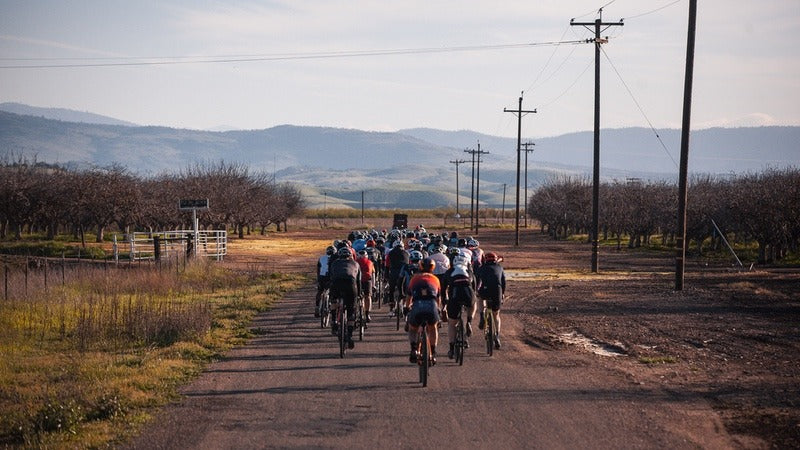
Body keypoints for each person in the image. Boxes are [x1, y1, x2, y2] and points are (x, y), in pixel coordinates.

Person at [404, 257, 441, 365]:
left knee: (413, 328)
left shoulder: (414, 278)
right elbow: (438, 298)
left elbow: (409, 296)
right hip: (431, 306)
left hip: (418, 306)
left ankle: (414, 349)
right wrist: (438, 310)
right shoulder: (436, 279)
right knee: (433, 328)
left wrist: (407, 308)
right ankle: (433, 353)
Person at [443, 254, 476, 358]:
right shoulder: (469, 272)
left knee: (452, 323)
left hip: (455, 297)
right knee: (473, 303)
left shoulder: (449, 272)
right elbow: (474, 289)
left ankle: (452, 348)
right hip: (468, 295)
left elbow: (443, 288)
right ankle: (469, 320)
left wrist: (444, 301)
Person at [329, 247, 362, 349]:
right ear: (350, 256)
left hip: (337, 283)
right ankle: (350, 334)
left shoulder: (335, 263)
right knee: (351, 309)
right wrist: (359, 294)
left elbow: (331, 276)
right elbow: (358, 281)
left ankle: (334, 320)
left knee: (333, 300)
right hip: (350, 284)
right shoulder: (356, 264)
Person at [476, 252, 506, 349]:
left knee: (480, 298)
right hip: (497, 291)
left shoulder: (482, 268)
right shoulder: (500, 268)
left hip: (485, 290)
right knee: (496, 315)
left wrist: (477, 291)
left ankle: (481, 315)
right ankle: (496, 335)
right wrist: (503, 294)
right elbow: (503, 282)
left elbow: (477, 280)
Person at [315, 245, 335, 317]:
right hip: (330, 277)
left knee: (320, 291)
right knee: (332, 292)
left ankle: (317, 306)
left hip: (322, 277)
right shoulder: (335, 259)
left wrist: (318, 278)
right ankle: (331, 304)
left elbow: (318, 268)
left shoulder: (321, 258)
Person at [355, 250, 374, 322]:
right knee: (368, 296)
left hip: (357, 281)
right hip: (367, 281)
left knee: (357, 297)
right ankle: (367, 314)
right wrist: (373, 285)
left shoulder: (355, 262)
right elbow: (372, 274)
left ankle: (357, 311)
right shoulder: (370, 262)